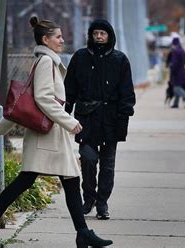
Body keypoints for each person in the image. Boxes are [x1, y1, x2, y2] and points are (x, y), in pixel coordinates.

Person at [0, 17, 112, 247]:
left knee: (71, 180)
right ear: (45, 39)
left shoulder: (46, 61)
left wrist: (1, 128)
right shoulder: (46, 62)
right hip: (46, 136)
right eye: (57, 37)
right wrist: (70, 121)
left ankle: (83, 233)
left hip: (53, 135)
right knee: (26, 181)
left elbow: (25, 100)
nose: (62, 40)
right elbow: (42, 99)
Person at [64, 19, 136, 220]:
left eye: (102, 34)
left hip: (111, 119)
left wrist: (124, 116)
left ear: (109, 36)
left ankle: (102, 202)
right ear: (91, 35)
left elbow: (127, 92)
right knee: (88, 159)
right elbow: (69, 88)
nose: (98, 37)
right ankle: (89, 198)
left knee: (108, 164)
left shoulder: (120, 60)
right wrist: (65, 112)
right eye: (95, 33)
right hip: (86, 118)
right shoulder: (80, 57)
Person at [169, 37, 185, 108]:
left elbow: (174, 63)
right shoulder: (182, 50)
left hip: (177, 72)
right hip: (183, 71)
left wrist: (172, 68)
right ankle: (176, 104)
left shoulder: (175, 51)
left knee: (176, 88)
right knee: (178, 87)